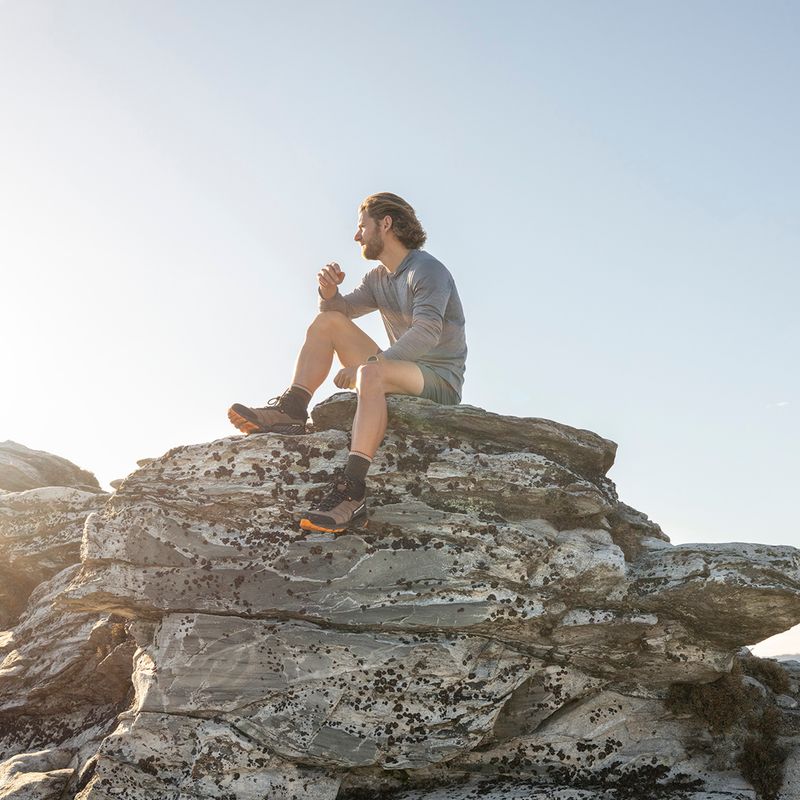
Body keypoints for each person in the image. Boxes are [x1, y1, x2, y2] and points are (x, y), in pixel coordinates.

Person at [228, 192, 467, 533]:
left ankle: (351, 491)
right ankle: (293, 409)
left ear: (385, 224)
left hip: (438, 379)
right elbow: (339, 313)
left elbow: (427, 333)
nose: (357, 236)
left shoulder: (427, 270)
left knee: (370, 372)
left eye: (362, 227)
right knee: (328, 324)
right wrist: (329, 294)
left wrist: (372, 364)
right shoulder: (378, 278)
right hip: (399, 368)